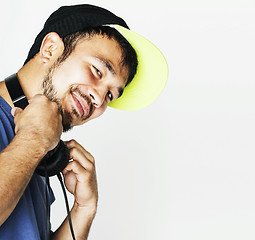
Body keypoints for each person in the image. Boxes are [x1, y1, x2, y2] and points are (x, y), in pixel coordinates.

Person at [0, 4, 168, 240]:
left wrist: (84, 209)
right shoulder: (33, 143)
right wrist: (34, 139)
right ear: (49, 49)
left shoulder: (37, 153)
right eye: (97, 71)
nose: (99, 99)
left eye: (110, 95)